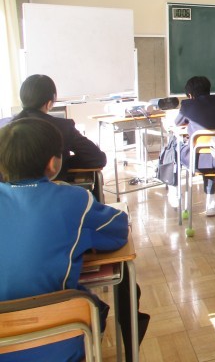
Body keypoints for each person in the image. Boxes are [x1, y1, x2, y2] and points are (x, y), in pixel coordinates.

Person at [0, 118, 129, 362]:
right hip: (61, 342)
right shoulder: (73, 199)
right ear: (53, 163)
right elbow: (117, 230)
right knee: (94, 306)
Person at [5, 74, 106, 180]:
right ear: (49, 104)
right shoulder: (63, 127)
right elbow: (96, 158)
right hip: (52, 187)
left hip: (12, 189)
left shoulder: (6, 127)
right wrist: (64, 163)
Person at [174, 76, 215, 215]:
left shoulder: (187, 105)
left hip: (196, 161)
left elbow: (177, 123)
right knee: (209, 150)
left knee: (175, 146)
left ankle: (175, 193)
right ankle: (210, 203)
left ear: (190, 95)